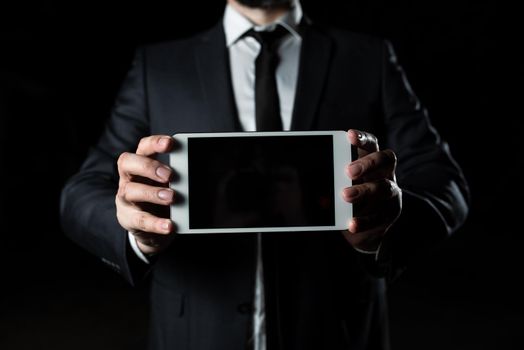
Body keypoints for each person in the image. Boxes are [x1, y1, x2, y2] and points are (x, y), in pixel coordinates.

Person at [60, 0, 469, 349]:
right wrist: (137, 230)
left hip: (336, 332)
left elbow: (445, 185)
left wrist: (384, 228)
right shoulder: (160, 65)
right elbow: (82, 192)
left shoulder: (368, 57)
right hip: (194, 334)